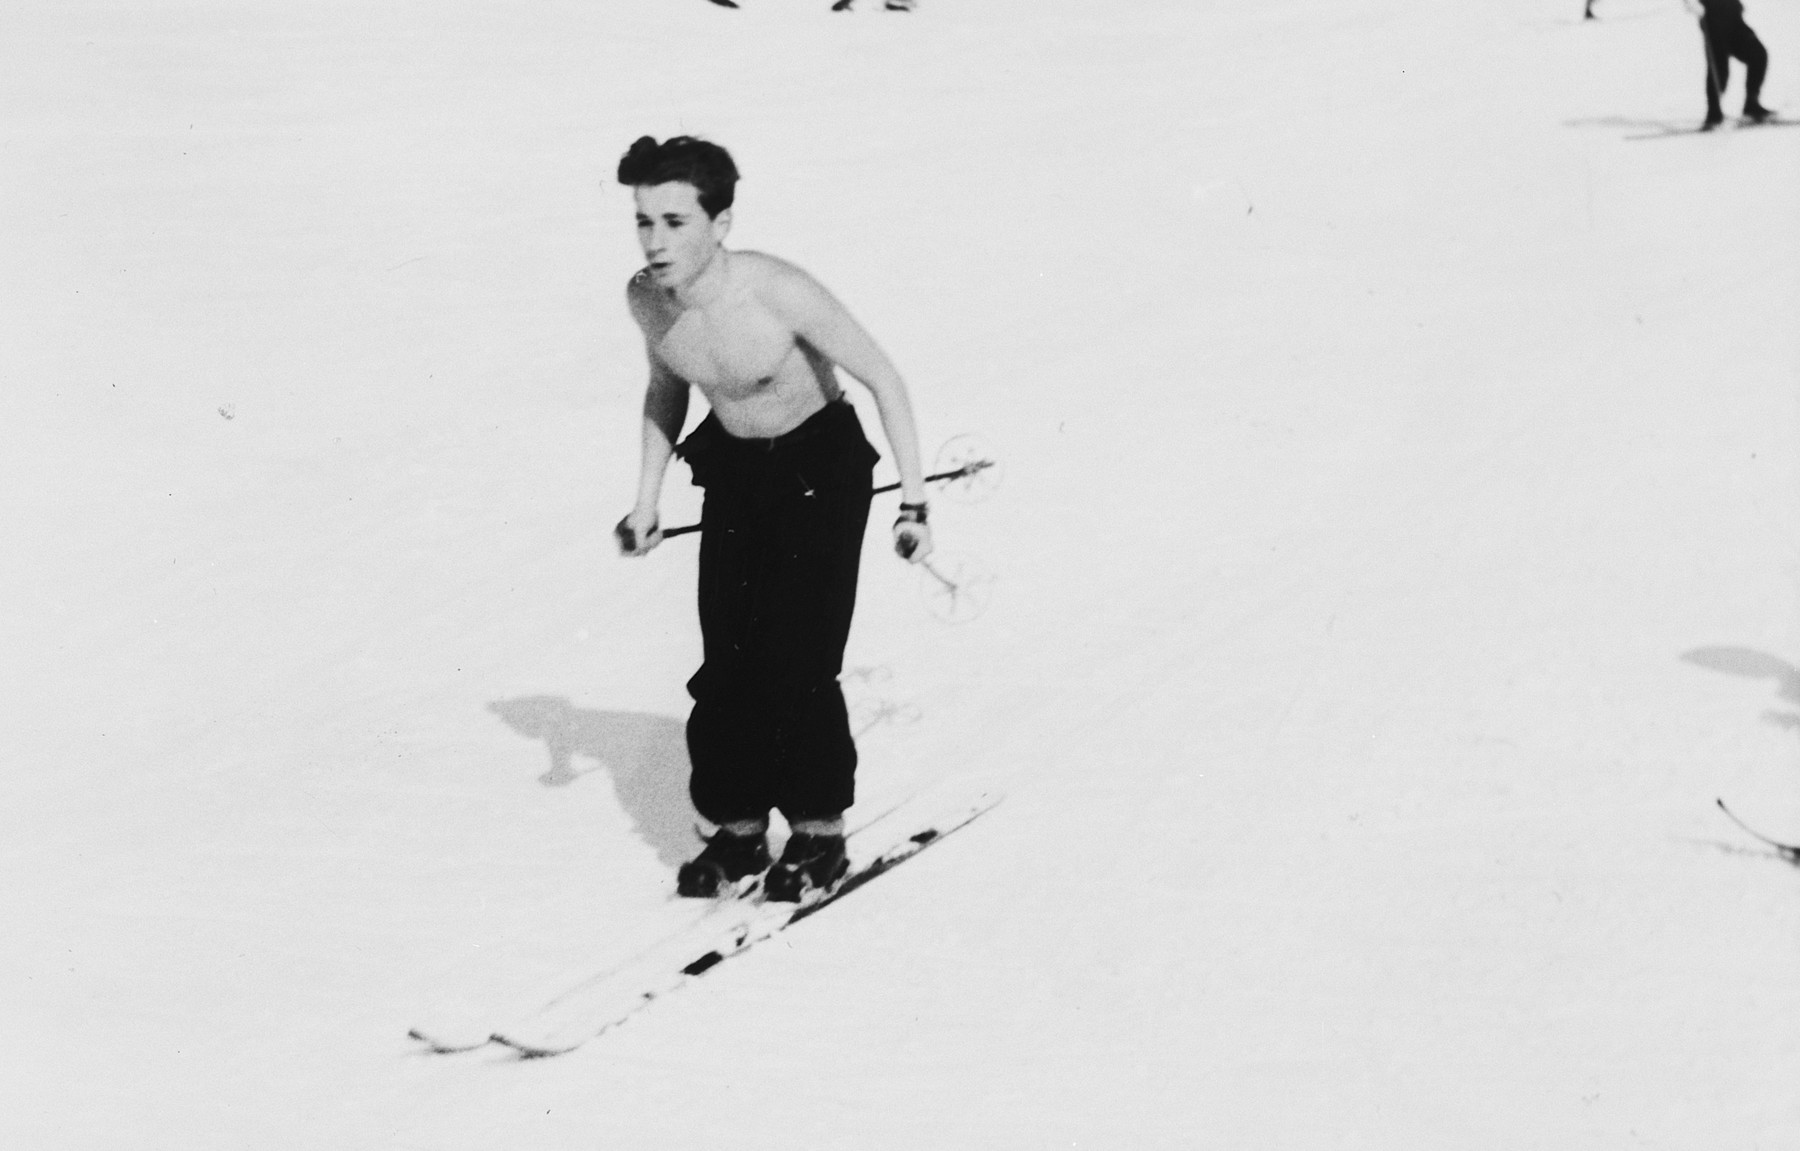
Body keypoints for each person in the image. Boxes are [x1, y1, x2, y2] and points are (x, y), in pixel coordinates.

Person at [611, 136, 934, 903]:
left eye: (676, 221)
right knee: (727, 656)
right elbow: (667, 388)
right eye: (644, 221)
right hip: (735, 470)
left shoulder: (780, 292)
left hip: (820, 469)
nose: (656, 241)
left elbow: (882, 376)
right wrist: (648, 499)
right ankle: (738, 825)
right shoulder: (646, 299)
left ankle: (820, 830)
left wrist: (915, 499)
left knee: (796, 654)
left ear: (720, 224)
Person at [1692, 0, 1774, 129]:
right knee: (1719, 68)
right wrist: (1692, 4)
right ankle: (1714, 113)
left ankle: (1751, 103)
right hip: (1713, 19)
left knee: (1758, 55)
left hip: (1733, 17)